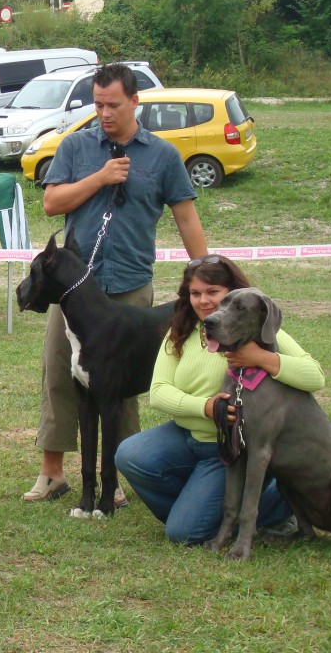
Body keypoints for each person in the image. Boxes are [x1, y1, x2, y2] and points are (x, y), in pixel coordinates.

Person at [24, 63, 208, 504]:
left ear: (134, 102)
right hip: (74, 288)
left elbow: (185, 216)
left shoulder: (162, 156)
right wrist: (99, 178)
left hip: (129, 282)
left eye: (113, 105)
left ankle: (118, 476)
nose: (104, 113)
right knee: (60, 374)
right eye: (98, 104)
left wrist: (206, 274)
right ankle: (52, 473)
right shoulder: (75, 147)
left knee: (124, 389)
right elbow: (51, 203)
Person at [115, 255, 325, 543]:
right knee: (130, 454)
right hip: (188, 436)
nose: (204, 301)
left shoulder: (257, 333)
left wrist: (262, 357)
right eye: (195, 293)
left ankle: (278, 502)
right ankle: (202, 510)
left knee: (183, 533)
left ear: (232, 293)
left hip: (229, 450)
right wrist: (207, 407)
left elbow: (315, 376)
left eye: (213, 292)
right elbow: (159, 392)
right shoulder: (180, 333)